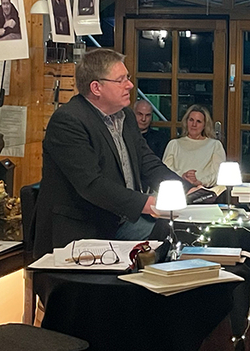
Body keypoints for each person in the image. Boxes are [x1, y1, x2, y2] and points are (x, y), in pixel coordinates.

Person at [33, 49, 188, 257]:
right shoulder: (68, 121)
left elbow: (146, 161)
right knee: (166, 242)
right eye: (121, 80)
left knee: (180, 236)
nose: (130, 85)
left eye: (128, 78)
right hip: (82, 230)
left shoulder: (125, 116)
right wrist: (148, 203)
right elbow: (92, 184)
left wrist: (184, 189)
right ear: (96, 87)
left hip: (120, 220)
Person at [163, 105, 227, 187]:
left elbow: (218, 174)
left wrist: (200, 182)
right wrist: (183, 176)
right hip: (178, 188)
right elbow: (165, 170)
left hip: (205, 190)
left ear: (204, 125)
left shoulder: (215, 145)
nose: (194, 124)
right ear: (186, 122)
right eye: (191, 120)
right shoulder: (174, 144)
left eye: (198, 121)